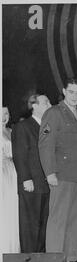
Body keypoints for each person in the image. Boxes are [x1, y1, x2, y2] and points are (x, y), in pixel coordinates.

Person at [39, 77, 77, 262]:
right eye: (71, 92)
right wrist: (50, 172)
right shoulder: (54, 113)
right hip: (61, 175)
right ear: (64, 92)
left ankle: (71, 260)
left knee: (74, 221)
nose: (75, 96)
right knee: (58, 220)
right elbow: (45, 145)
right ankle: (54, 261)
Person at [11, 94, 51, 253]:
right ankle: (28, 259)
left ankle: (40, 257)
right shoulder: (23, 127)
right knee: (30, 224)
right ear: (34, 105)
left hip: (46, 183)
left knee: (43, 223)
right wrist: (26, 179)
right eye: (46, 102)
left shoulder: (48, 126)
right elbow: (20, 155)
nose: (50, 104)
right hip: (31, 183)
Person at [2, 106, 20, 253]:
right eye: (1, 113)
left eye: (6, 113)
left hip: (13, 172)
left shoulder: (11, 131)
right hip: (2, 174)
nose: (4, 116)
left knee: (13, 209)